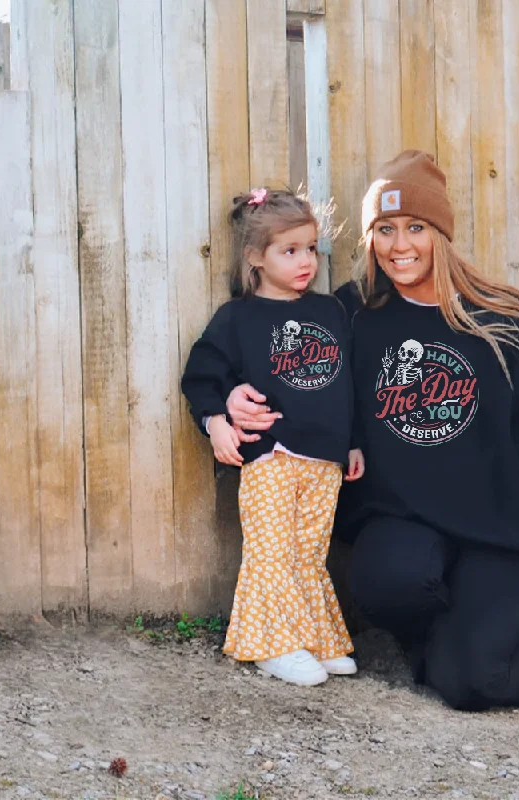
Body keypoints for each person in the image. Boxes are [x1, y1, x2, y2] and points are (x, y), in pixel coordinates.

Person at [225, 152, 519, 713]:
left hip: (493, 535)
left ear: (440, 233)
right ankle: (438, 638)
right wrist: (224, 401)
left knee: (476, 684)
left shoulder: (505, 325)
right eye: (385, 229)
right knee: (386, 581)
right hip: (400, 526)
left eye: (416, 228)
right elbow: (269, 348)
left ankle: (489, 639)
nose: (400, 245)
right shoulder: (350, 312)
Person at [181, 188, 364, 687]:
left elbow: (348, 385)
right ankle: (273, 645)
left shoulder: (330, 312)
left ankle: (316, 639)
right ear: (256, 258)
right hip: (271, 456)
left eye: (311, 248)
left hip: (324, 459)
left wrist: (352, 441)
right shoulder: (237, 319)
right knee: (271, 552)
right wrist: (216, 420)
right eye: (290, 251)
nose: (305, 261)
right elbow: (201, 375)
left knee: (308, 553)